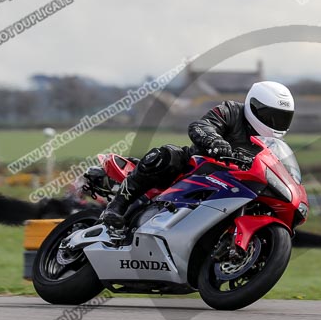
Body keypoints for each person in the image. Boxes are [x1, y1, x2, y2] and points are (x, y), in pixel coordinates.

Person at [100, 81, 295, 228]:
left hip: (236, 183)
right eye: (271, 116)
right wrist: (215, 141)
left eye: (282, 118)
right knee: (167, 155)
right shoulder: (231, 111)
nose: (276, 122)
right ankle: (116, 207)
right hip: (198, 167)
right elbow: (201, 125)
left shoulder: (273, 145)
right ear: (254, 105)